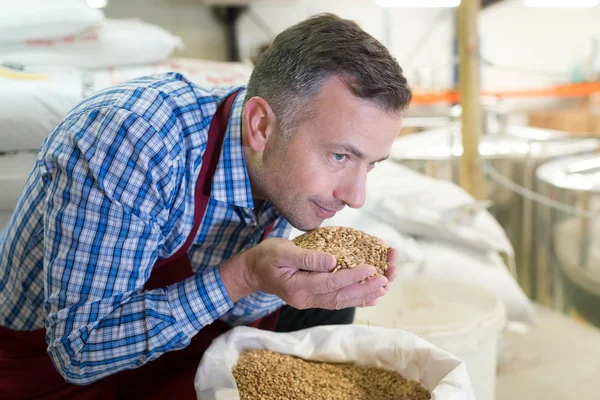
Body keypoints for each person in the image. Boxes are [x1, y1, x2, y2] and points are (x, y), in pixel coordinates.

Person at [0, 13, 411, 399]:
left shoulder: (277, 164)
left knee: (327, 309)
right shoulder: (135, 139)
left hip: (179, 344)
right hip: (56, 372)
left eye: (370, 164)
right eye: (340, 156)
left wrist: (286, 280)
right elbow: (77, 351)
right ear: (260, 126)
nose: (355, 196)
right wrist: (246, 274)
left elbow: (244, 309)